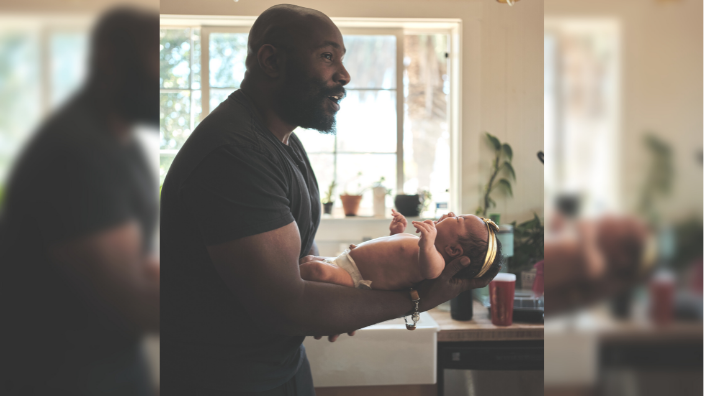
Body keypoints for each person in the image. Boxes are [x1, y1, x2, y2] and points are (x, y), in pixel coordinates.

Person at [159, 4, 499, 395]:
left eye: (342, 58)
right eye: (327, 57)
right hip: (226, 380)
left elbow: (304, 254)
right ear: (271, 60)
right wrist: (417, 300)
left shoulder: (286, 144)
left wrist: (341, 297)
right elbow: (288, 306)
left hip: (282, 367)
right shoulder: (235, 154)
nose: (345, 74)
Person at [0, 7, 160, 396]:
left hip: (116, 362)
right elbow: (130, 301)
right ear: (109, 57)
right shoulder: (75, 151)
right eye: (154, 55)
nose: (163, 74)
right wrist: (239, 300)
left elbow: (136, 262)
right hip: (62, 375)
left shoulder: (122, 145)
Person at [299, 210, 503, 291]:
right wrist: (395, 232)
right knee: (308, 259)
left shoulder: (436, 260)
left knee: (317, 271)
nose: (450, 213)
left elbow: (430, 271)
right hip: (344, 260)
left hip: (354, 277)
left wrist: (427, 243)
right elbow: (391, 252)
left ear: (453, 250)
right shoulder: (420, 244)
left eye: (458, 219)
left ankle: (275, 286)